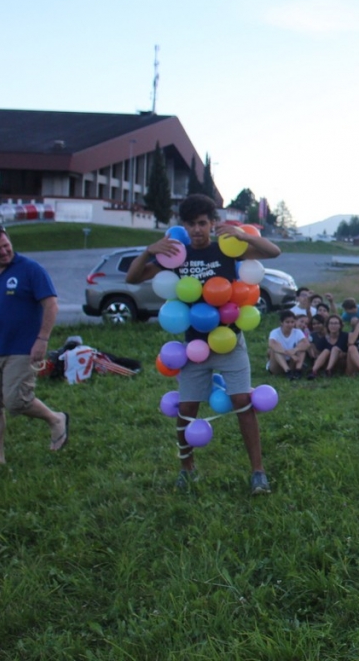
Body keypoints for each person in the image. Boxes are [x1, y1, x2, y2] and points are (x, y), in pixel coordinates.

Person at [125, 194, 281, 494]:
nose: (196, 230)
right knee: (187, 408)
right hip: (194, 347)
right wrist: (148, 251)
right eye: (190, 224)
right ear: (183, 225)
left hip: (229, 340)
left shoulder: (225, 250)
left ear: (212, 224)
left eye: (202, 223)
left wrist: (240, 234)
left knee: (242, 402)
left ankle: (258, 472)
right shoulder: (177, 254)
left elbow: (274, 252)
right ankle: (187, 469)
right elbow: (133, 279)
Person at [0, 224, 69, 471]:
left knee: (16, 401)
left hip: (23, 348)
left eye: (6, 246)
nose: (3, 251)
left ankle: (56, 419)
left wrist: (42, 340)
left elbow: (51, 305)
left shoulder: (31, 270)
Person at [267, 310, 309, 379]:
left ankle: (298, 370)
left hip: (292, 362)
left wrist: (295, 349)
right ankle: (287, 371)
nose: (290, 325)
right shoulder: (275, 332)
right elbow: (271, 344)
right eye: (287, 322)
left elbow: (306, 344)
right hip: (278, 364)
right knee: (275, 349)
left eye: (292, 322)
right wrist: (290, 354)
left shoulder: (297, 332)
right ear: (281, 322)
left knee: (302, 348)